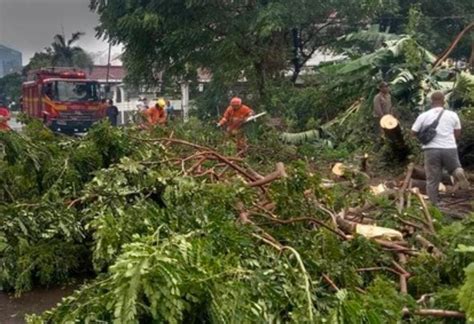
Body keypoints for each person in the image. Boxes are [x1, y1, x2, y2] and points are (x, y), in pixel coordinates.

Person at [411, 91, 469, 205]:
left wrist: (423, 139)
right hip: (449, 148)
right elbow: (457, 132)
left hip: (431, 149)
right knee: (454, 168)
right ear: (443, 101)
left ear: (431, 102)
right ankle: (458, 172)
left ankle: (433, 205)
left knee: (432, 179)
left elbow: (413, 132)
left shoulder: (424, 115)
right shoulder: (453, 115)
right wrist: (450, 141)